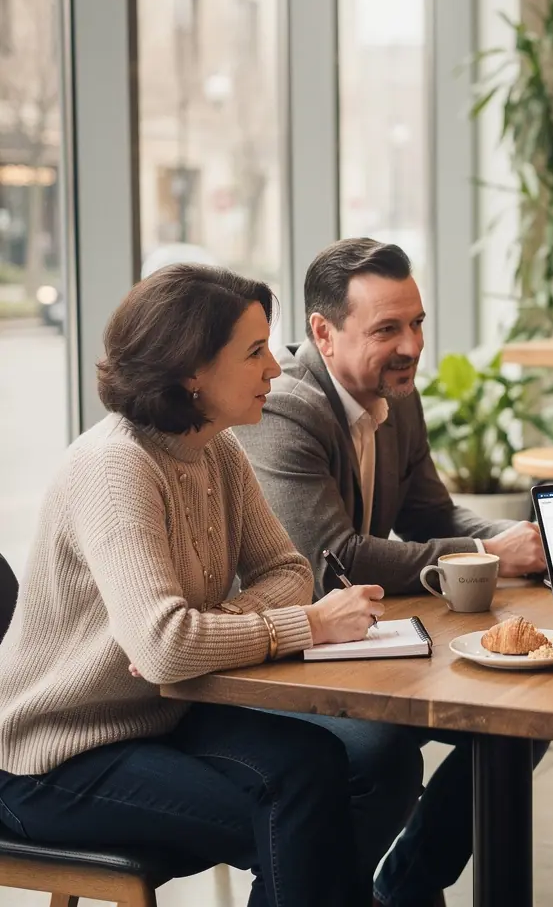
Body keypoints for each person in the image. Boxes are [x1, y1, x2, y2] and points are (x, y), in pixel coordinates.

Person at [0, 265, 387, 906]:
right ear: (191, 372)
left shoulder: (216, 448)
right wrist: (307, 625)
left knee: (320, 764)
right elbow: (166, 649)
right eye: (255, 352)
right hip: (50, 759)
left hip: (156, 716)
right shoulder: (114, 467)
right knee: (303, 818)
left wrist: (210, 622)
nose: (275, 369)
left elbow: (287, 573)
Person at [235, 237, 547, 906]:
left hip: (356, 642)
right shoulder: (285, 407)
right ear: (324, 332)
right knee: (381, 753)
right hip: (274, 654)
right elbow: (334, 561)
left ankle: (405, 888)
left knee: (525, 719)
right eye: (387, 329)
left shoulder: (395, 394)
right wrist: (490, 558)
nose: (411, 345)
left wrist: (515, 538)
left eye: (417, 323)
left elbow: (432, 513)